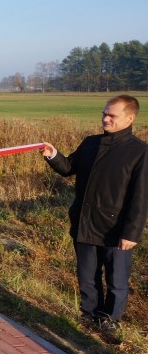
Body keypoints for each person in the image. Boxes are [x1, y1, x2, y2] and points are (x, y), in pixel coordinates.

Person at [42, 95, 147, 330]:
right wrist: (53, 154)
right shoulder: (90, 143)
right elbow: (69, 168)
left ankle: (110, 321)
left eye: (112, 115)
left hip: (116, 228)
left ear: (129, 118)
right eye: (103, 113)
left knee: (116, 280)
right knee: (87, 277)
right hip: (85, 222)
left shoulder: (139, 152)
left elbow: (140, 197)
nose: (105, 119)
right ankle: (90, 316)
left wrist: (131, 233)